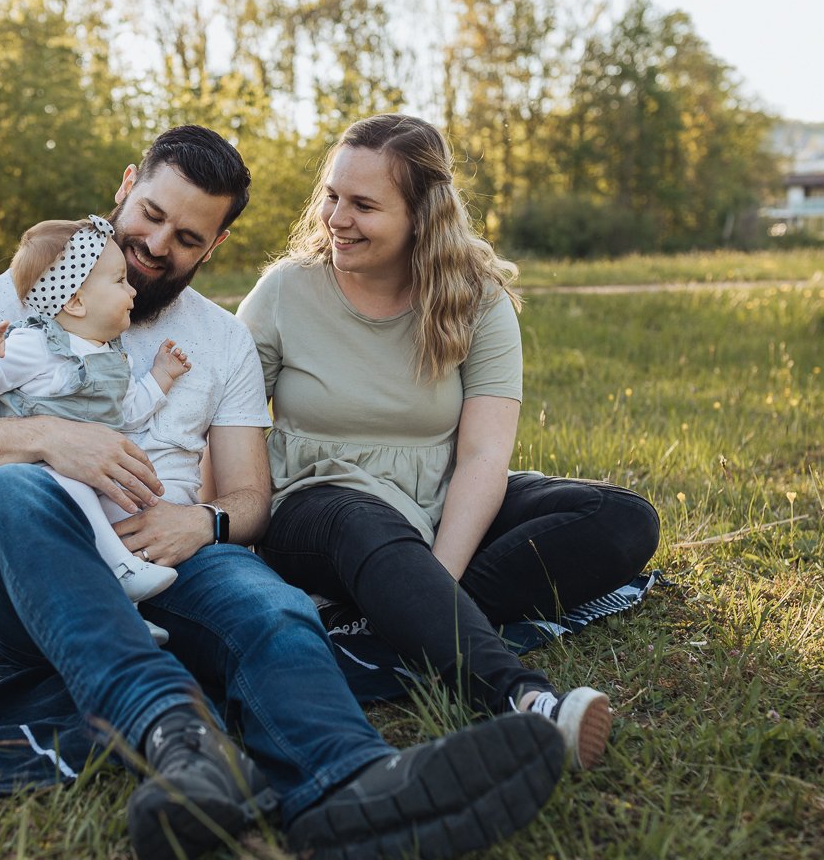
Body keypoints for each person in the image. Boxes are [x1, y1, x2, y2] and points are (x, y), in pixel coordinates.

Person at [0, 124, 568, 860]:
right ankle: (185, 746)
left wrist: (201, 521)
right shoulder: (25, 293)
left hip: (170, 557)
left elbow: (251, 500)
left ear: (211, 247)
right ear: (125, 186)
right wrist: (49, 439)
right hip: (39, 571)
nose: (154, 246)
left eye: (186, 236)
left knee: (272, 605)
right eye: (148, 214)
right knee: (16, 487)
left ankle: (353, 780)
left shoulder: (220, 339)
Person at [238, 113, 661, 771]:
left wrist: (436, 577)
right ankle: (525, 699)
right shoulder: (285, 291)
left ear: (421, 215)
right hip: (316, 503)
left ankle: (404, 612)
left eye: (364, 205)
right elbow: (225, 422)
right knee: (364, 522)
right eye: (332, 195)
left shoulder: (474, 296)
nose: (335, 218)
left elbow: (486, 456)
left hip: (435, 500)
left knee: (621, 520)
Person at [0, 214, 193, 605]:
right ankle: (121, 571)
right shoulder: (36, 345)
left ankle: (124, 613)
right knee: (76, 488)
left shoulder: (113, 357)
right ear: (76, 301)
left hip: (93, 475)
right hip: (41, 478)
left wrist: (161, 377)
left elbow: (128, 413)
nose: (131, 289)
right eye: (119, 281)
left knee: (125, 511)